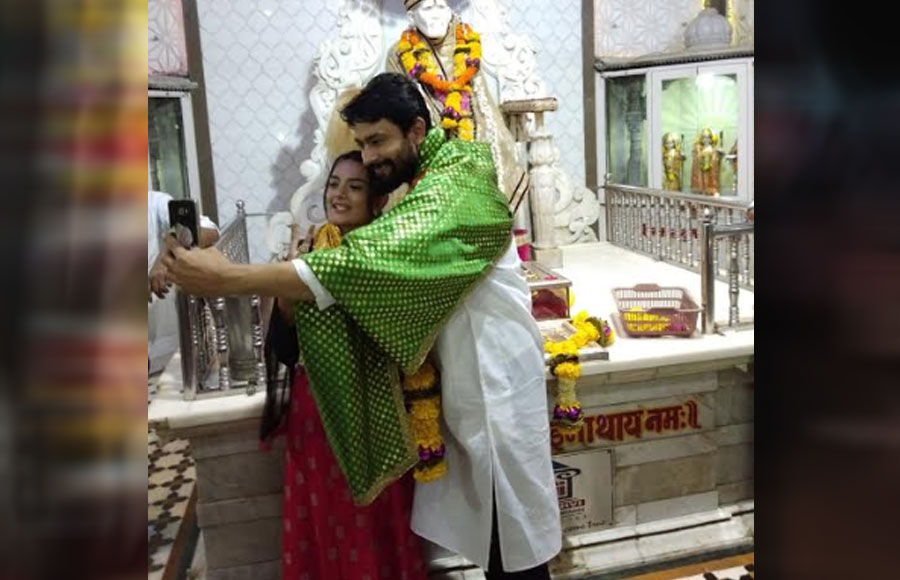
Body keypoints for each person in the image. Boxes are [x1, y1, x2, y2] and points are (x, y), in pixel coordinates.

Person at [163, 72, 561, 579]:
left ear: (416, 130)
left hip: (496, 388)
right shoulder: (423, 185)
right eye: (361, 145)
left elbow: (368, 261)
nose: (370, 159)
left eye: (378, 142)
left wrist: (230, 278)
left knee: (516, 544)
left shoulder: (456, 184)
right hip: (467, 386)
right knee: (494, 540)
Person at [262, 150, 427, 580]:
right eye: (335, 183)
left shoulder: (389, 256)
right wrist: (285, 296)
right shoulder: (312, 249)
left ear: (376, 202)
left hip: (377, 413)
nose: (340, 194)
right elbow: (285, 349)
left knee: (379, 518)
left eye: (355, 187)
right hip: (317, 414)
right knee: (326, 518)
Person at [388, 0, 530, 215]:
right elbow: (400, 108)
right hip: (430, 143)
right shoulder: (399, 53)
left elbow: (482, 104)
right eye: (428, 8)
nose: (436, 15)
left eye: (441, 6)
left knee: (494, 157)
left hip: (475, 135)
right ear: (411, 16)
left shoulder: (467, 43)